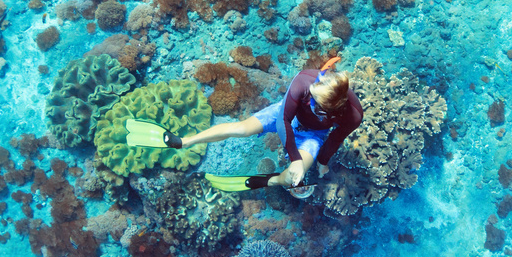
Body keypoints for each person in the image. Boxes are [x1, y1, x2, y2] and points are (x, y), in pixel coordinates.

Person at [124, 58, 364, 198]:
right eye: (310, 94)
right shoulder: (305, 81)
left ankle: (269, 180)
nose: (307, 97)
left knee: (293, 180)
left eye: (314, 102)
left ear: (330, 108)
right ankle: (184, 141)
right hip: (285, 116)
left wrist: (321, 162)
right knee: (241, 128)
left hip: (313, 135)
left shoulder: (353, 115)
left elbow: (335, 139)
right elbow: (282, 121)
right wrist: (294, 157)